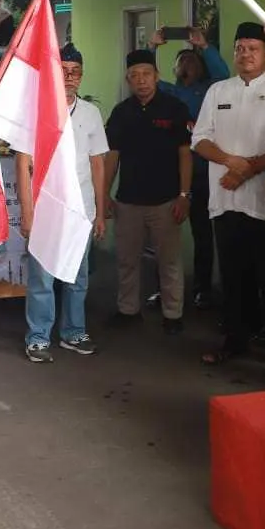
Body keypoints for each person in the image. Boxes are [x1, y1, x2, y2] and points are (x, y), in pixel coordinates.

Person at [193, 24, 265, 381]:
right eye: (239, 48)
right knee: (233, 277)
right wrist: (231, 163)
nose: (245, 54)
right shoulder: (218, 90)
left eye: (253, 48)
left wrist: (247, 169)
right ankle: (235, 339)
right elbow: (200, 140)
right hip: (225, 201)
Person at [19, 44, 109, 363]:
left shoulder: (91, 113)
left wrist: (99, 210)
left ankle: (73, 332)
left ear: (81, 77)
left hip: (80, 210)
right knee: (42, 278)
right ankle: (39, 337)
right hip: (46, 209)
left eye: (75, 72)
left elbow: (98, 163)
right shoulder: (37, 110)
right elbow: (23, 161)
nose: (69, 77)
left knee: (77, 276)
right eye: (63, 71)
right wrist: (27, 213)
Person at [104, 51, 192, 333]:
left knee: (169, 261)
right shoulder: (121, 112)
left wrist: (184, 195)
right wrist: (104, 194)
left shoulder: (174, 108)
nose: (141, 81)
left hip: (166, 201)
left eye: (146, 74)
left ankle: (173, 314)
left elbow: (185, 154)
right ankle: (128, 310)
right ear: (129, 80)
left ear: (156, 76)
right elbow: (112, 156)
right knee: (127, 260)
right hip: (128, 201)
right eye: (135, 76)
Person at [151, 27, 229, 309]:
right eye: (182, 61)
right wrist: (152, 47)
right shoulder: (168, 93)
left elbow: (222, 75)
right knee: (162, 235)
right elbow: (147, 76)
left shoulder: (209, 90)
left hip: (202, 173)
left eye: (193, 61)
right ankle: (163, 290)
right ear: (174, 68)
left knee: (202, 233)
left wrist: (204, 46)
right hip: (169, 173)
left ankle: (202, 288)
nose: (187, 65)